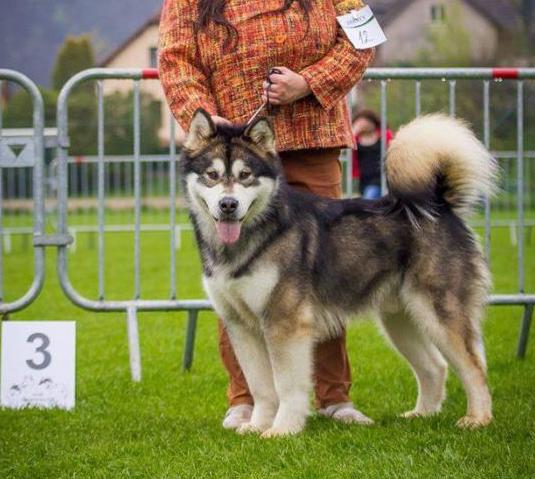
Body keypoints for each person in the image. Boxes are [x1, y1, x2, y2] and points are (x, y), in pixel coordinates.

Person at [159, 0, 375, 429]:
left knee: (322, 275)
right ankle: (248, 399)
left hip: (313, 141)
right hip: (231, 151)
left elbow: (363, 37)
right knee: (234, 274)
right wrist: (203, 117)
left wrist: (308, 82)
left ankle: (334, 397)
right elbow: (174, 57)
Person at [351, 109, 392, 199]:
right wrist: (354, 132)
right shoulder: (356, 139)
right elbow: (345, 152)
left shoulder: (384, 135)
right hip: (364, 179)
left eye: (366, 122)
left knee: (369, 198)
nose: (363, 125)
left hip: (382, 178)